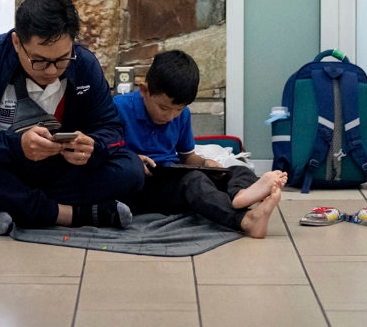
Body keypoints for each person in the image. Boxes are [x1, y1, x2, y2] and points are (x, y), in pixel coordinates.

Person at [0, 0, 145, 234]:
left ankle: (9, 207)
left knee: (130, 170)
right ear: (17, 42)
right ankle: (70, 214)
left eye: (62, 59)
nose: (51, 70)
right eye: (39, 61)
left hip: (58, 171)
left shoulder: (84, 64)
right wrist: (16, 146)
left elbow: (112, 130)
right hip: (3, 167)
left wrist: (93, 146)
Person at [115, 49, 286, 238]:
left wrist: (206, 164)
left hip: (173, 172)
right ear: (144, 91)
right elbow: (104, 154)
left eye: (178, 110)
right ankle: (245, 220)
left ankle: (240, 195)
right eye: (163, 108)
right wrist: (133, 160)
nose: (170, 116)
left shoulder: (182, 116)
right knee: (194, 181)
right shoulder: (119, 109)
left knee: (236, 169)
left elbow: (187, 156)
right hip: (143, 186)